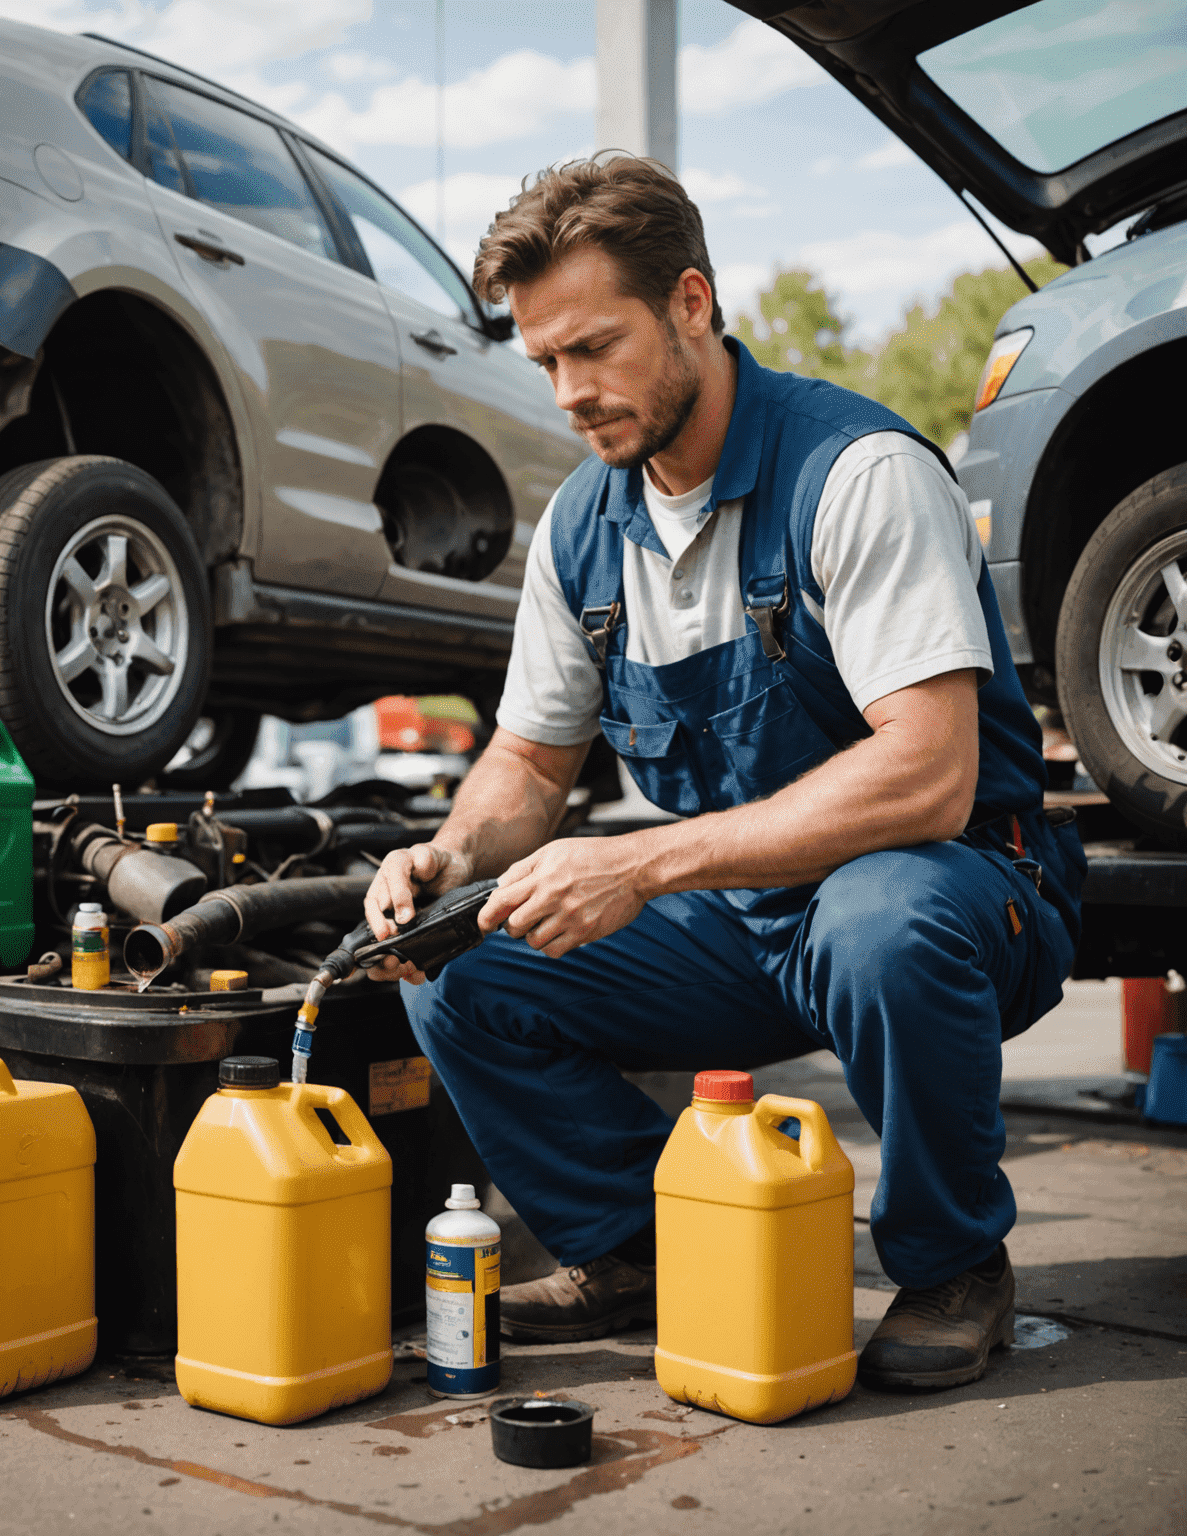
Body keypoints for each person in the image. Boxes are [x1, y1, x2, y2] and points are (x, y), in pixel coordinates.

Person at [363, 156, 1085, 1391]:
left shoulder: (855, 475)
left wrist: (640, 863)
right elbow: (529, 764)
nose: (572, 394)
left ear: (692, 302)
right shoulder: (584, 532)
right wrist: (453, 853)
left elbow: (929, 777)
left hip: (960, 892)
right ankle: (633, 1246)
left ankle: (954, 1261)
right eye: (545, 362)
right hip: (749, 917)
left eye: (598, 346)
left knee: (882, 918)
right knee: (458, 961)